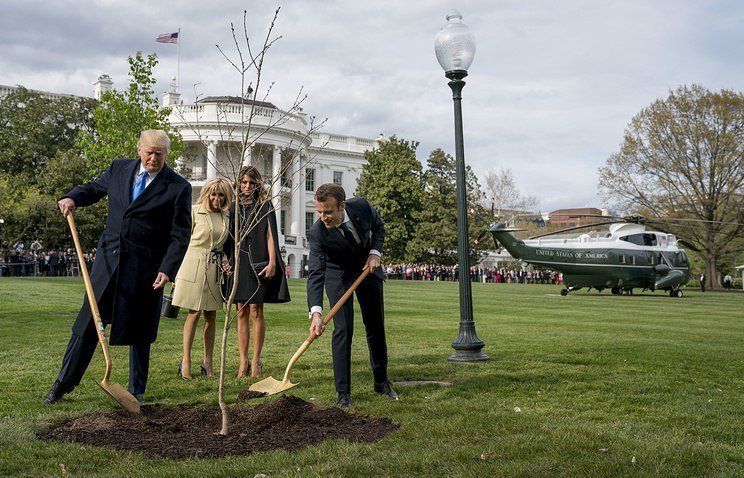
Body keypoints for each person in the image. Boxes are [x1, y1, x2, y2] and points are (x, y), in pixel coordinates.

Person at [43, 129, 192, 405]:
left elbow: (181, 234)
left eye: (160, 154)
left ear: (166, 155)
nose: (154, 158)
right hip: (108, 262)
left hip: (146, 269)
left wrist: (167, 268)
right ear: (139, 149)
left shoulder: (178, 187)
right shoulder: (119, 168)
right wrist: (72, 197)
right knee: (88, 324)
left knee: (140, 330)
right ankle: (63, 383)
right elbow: (93, 189)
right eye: (149, 152)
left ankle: (136, 390)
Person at [307, 183, 397, 409]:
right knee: (343, 330)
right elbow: (316, 273)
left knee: (375, 326)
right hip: (338, 275)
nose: (323, 217)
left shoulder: (362, 207)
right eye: (319, 212)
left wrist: (375, 252)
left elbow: (379, 227)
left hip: (368, 268)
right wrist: (316, 313)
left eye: (327, 211)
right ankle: (343, 393)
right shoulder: (317, 233)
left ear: (342, 206)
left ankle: (381, 382)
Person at [226, 166, 289, 378]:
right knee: (241, 311)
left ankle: (256, 360)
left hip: (259, 262)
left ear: (257, 184)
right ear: (239, 183)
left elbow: (271, 236)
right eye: (243, 182)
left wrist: (272, 262)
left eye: (251, 183)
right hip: (239, 263)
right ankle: (243, 362)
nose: (247, 187)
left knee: (256, 311)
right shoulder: (232, 207)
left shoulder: (265, 206)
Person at [171, 177, 233, 379]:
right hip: (192, 264)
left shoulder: (227, 216)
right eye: (214, 194)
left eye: (221, 195)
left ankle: (208, 362)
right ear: (207, 194)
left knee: (211, 315)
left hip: (214, 267)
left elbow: (222, 245)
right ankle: (186, 360)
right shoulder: (194, 211)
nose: (217, 198)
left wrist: (224, 261)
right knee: (194, 313)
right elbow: (181, 240)